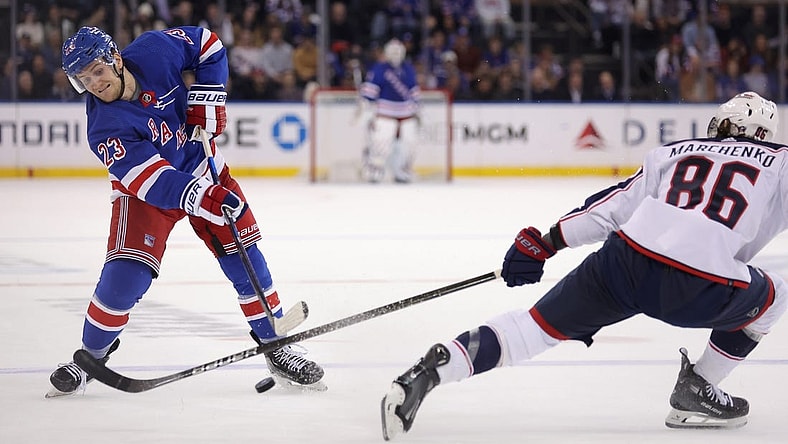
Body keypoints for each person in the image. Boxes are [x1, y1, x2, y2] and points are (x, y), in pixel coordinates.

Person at [380, 91, 786, 439]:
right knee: (778, 291)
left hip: (626, 261)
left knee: (532, 328)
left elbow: (611, 209)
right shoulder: (781, 162)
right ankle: (699, 385)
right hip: (701, 284)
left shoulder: (673, 152)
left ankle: (430, 371)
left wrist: (547, 242)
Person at [47, 26, 325, 397]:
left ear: (115, 58)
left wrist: (209, 99)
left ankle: (276, 344)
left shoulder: (154, 50)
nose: (94, 83)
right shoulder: (104, 128)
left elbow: (208, 45)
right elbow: (156, 183)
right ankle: (91, 357)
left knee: (244, 255)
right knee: (124, 281)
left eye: (97, 70)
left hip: (199, 161)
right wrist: (205, 198)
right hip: (144, 194)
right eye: (83, 78)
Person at [359, 38, 421, 183]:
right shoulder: (379, 69)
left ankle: (402, 170)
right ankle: (374, 170)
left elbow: (414, 91)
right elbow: (369, 93)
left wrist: (417, 109)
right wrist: (365, 108)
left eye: (398, 51)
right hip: (385, 113)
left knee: (410, 144)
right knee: (380, 144)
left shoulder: (408, 69)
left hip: (406, 113)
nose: (395, 54)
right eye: (392, 51)